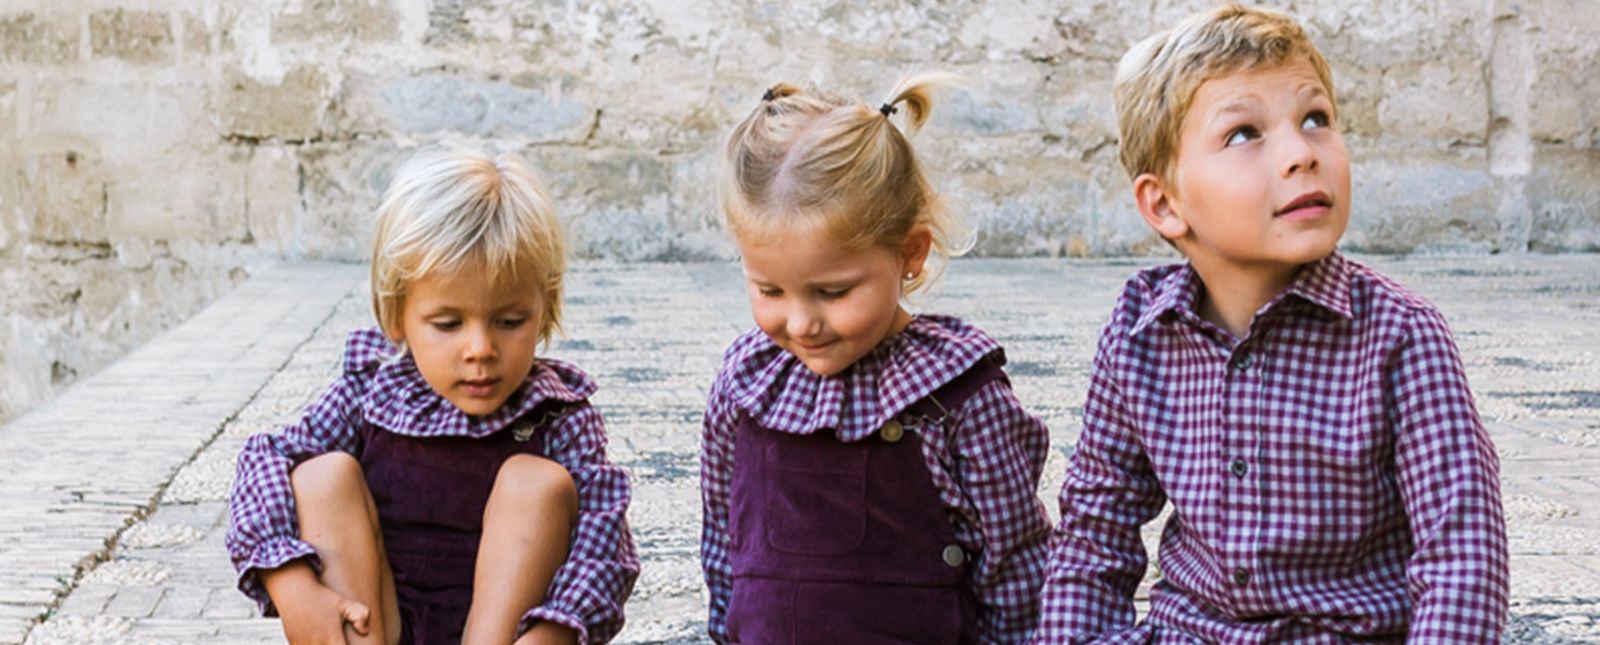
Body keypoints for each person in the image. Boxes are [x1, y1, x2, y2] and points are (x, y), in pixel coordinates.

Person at [1033, 5, 1508, 642]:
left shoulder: (1401, 336)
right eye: (1243, 134)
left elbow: (1464, 557)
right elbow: (1097, 532)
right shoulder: (1139, 331)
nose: (1300, 154)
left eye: (1316, 120)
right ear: (1165, 204)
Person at [226, 146, 639, 645]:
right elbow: (264, 459)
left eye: (510, 322)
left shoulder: (557, 414)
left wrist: (556, 629)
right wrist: (290, 582)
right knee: (319, 475)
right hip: (377, 623)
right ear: (395, 316)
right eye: (448, 324)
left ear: (544, 308)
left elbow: (605, 544)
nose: (481, 349)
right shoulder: (372, 392)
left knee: (538, 483)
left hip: (500, 633)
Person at [700, 74, 1054, 644]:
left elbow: (1016, 566)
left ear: (910, 254)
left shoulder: (959, 397)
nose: (800, 323)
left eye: (833, 292)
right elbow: (724, 536)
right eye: (769, 290)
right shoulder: (745, 384)